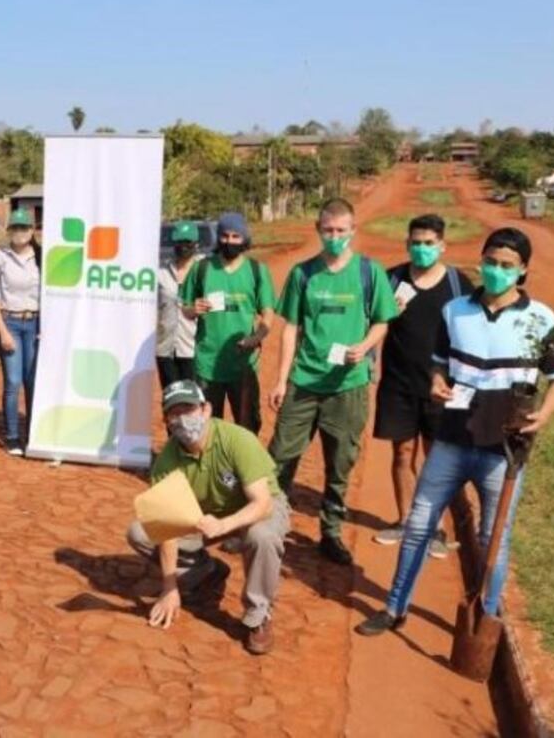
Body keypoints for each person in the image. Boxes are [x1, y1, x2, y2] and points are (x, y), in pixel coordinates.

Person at [358, 227, 554, 635]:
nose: (496, 270)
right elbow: (440, 362)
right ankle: (394, 606)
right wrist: (437, 381)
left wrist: (543, 414)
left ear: (523, 269)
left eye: (507, 266)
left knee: (495, 537)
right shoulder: (455, 311)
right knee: (419, 523)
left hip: (504, 449)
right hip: (452, 440)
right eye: (491, 262)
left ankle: (484, 618)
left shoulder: (541, 320)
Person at [267, 198, 397, 566]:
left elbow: (382, 322)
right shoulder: (302, 274)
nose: (335, 237)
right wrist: (280, 381)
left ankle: (331, 531)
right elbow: (290, 328)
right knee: (279, 458)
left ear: (353, 231)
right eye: (328, 231)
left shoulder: (370, 274)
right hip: (304, 383)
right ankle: (266, 523)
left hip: (349, 386)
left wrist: (365, 346)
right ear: (318, 230)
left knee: (340, 464)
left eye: (342, 231)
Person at [127, 380, 290, 655]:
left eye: (188, 409)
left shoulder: (237, 439)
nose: (182, 419)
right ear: (166, 419)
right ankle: (206, 571)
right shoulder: (167, 461)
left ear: (206, 409)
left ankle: (258, 616)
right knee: (140, 532)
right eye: (174, 413)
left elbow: (262, 503)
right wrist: (169, 587)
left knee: (261, 536)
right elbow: (166, 527)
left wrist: (225, 525)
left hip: (256, 509)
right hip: (205, 516)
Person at [372, 214, 472, 555]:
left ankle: (436, 529)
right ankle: (405, 521)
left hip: (441, 388)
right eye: (416, 243)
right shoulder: (391, 279)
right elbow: (371, 324)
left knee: (436, 458)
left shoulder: (459, 285)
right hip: (398, 383)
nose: (422, 249)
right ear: (407, 244)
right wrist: (386, 313)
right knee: (402, 453)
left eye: (429, 243)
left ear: (442, 245)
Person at [181, 212, 275, 434]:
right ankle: (213, 467)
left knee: (248, 424)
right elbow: (185, 308)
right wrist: (193, 309)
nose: (229, 241)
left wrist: (255, 338)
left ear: (245, 239)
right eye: (224, 236)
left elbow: (268, 314)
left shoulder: (257, 271)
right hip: (207, 362)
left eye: (235, 236)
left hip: (243, 363)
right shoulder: (201, 268)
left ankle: (243, 467)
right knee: (208, 425)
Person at [0, 207, 41, 455]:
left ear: (32, 230)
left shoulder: (41, 257)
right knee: (14, 382)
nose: (20, 233)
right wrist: (3, 331)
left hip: (35, 323)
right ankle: (13, 436)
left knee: (32, 382)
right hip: (11, 323)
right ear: (9, 231)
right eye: (15, 228)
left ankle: (34, 434)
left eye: (24, 228)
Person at [155, 223, 200, 388]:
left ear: (196, 243)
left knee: (195, 403)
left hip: (194, 349)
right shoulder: (161, 272)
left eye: (187, 242)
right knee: (171, 400)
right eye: (178, 242)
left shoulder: (205, 270)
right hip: (165, 348)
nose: (182, 246)